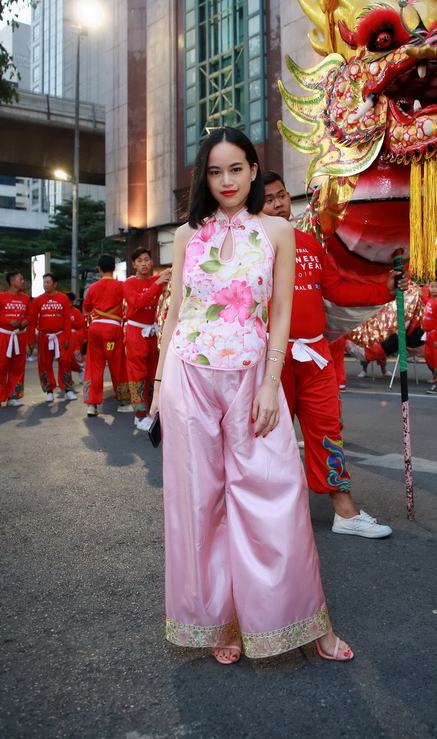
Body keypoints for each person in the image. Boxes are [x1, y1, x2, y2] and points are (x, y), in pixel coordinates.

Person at [150, 127, 353, 664]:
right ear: (203, 177)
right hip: (187, 375)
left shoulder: (277, 230)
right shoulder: (186, 236)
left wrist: (270, 381)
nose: (226, 182)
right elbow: (177, 313)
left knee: (275, 495)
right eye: (214, 172)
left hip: (251, 377)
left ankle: (307, 625)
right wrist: (156, 390)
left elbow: (281, 312)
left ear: (252, 169)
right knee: (199, 505)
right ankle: (222, 624)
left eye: (235, 169)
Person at [262, 171, 395, 539]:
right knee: (269, 436)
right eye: (268, 199)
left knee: (328, 431)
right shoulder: (248, 246)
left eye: (282, 196)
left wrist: (385, 287)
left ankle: (345, 512)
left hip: (316, 354)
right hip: (270, 358)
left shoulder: (308, 243)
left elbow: (336, 289)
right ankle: (268, 513)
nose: (278, 204)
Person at [123, 247, 171, 431]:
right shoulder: (128, 284)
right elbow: (139, 302)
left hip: (154, 333)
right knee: (137, 374)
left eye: (146, 260)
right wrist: (157, 282)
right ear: (133, 264)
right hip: (136, 333)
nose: (144, 264)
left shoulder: (156, 280)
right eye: (139, 261)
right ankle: (139, 414)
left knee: (154, 373)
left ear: (152, 262)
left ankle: (153, 411)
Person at [83, 254, 131, 417]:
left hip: (95, 329)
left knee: (94, 366)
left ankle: (91, 404)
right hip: (113, 329)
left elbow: (86, 308)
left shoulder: (92, 288)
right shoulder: (121, 286)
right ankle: (123, 402)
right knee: (117, 365)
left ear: (99, 269)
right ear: (114, 268)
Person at [26, 273, 76, 403]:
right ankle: (48, 390)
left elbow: (67, 320)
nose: (45, 285)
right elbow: (32, 321)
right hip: (44, 336)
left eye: (48, 282)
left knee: (65, 361)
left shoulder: (63, 298)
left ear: (55, 283)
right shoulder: (37, 300)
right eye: (44, 282)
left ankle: (68, 389)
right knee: (44, 363)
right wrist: (30, 339)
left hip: (60, 335)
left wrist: (66, 337)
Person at [0, 271, 30, 407]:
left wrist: (25, 321)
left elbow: (30, 315)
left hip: (19, 336)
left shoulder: (25, 298)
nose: (23, 281)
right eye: (20, 279)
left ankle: (13, 396)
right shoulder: (1, 297)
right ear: (12, 282)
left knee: (17, 367)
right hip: (4, 335)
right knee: (1, 366)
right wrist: (8, 320)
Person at [65, 291, 87, 384]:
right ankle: (66, 379)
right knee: (64, 360)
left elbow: (80, 324)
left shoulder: (76, 312)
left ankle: (80, 370)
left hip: (75, 338)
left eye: (71, 302)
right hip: (64, 337)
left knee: (74, 358)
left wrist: (70, 323)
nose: (70, 304)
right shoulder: (61, 311)